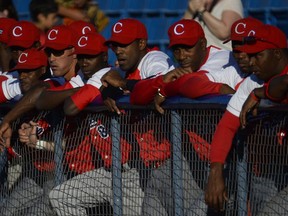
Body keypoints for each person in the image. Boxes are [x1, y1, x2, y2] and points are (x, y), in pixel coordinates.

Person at [204, 24, 288, 214]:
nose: (250, 63)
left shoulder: (259, 86)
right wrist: (216, 171)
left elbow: (285, 82)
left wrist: (262, 92)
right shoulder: (252, 82)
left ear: (276, 53)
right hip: (269, 174)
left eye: (257, 55)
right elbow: (227, 126)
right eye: (249, 56)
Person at [0, 48, 58, 216]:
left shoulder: (54, 87)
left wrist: (8, 120)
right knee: (5, 212)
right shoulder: (22, 93)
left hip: (59, 174)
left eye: (28, 71)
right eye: (20, 71)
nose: (22, 75)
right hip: (35, 172)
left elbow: (67, 146)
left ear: (42, 70)